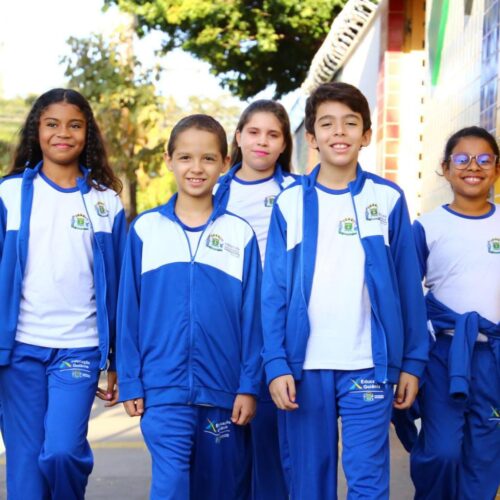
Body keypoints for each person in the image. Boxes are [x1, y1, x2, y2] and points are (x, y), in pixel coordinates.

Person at [262, 81, 428, 499]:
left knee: (369, 482)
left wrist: (411, 362)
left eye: (350, 123)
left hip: (367, 364)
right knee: (308, 482)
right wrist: (276, 363)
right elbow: (273, 292)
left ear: (366, 135)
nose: (340, 132)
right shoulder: (289, 202)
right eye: (328, 124)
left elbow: (408, 286)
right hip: (304, 367)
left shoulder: (387, 199)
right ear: (312, 138)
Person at [117, 114, 263, 500]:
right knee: (171, 484)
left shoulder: (240, 235)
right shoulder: (145, 230)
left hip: (224, 392)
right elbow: (127, 314)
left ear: (225, 162)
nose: (196, 168)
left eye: (208, 159)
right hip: (162, 390)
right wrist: (131, 379)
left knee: (219, 490)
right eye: (185, 157)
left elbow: (253, 322)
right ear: (168, 159)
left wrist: (249, 386)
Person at [0, 88, 126, 499]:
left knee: (61, 452)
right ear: (37, 130)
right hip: (19, 351)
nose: (62, 133)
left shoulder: (106, 202)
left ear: (87, 133)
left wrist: (118, 361)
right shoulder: (10, 193)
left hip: (79, 348)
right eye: (52, 124)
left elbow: (123, 291)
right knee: (25, 466)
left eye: (74, 125)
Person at [410, 126, 500, 499]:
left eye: (484, 159)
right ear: (445, 168)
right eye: (461, 159)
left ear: (496, 169)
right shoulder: (427, 226)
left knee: (484, 456)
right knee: (443, 451)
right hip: (444, 357)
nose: (472, 167)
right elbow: (405, 298)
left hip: (494, 358)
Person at [214, 99, 296, 499]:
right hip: (225, 334)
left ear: (284, 145)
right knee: (225, 450)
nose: (262, 141)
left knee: (272, 448)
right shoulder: (214, 191)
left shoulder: (299, 193)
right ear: (239, 137)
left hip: (276, 336)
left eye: (273, 134)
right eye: (254, 131)